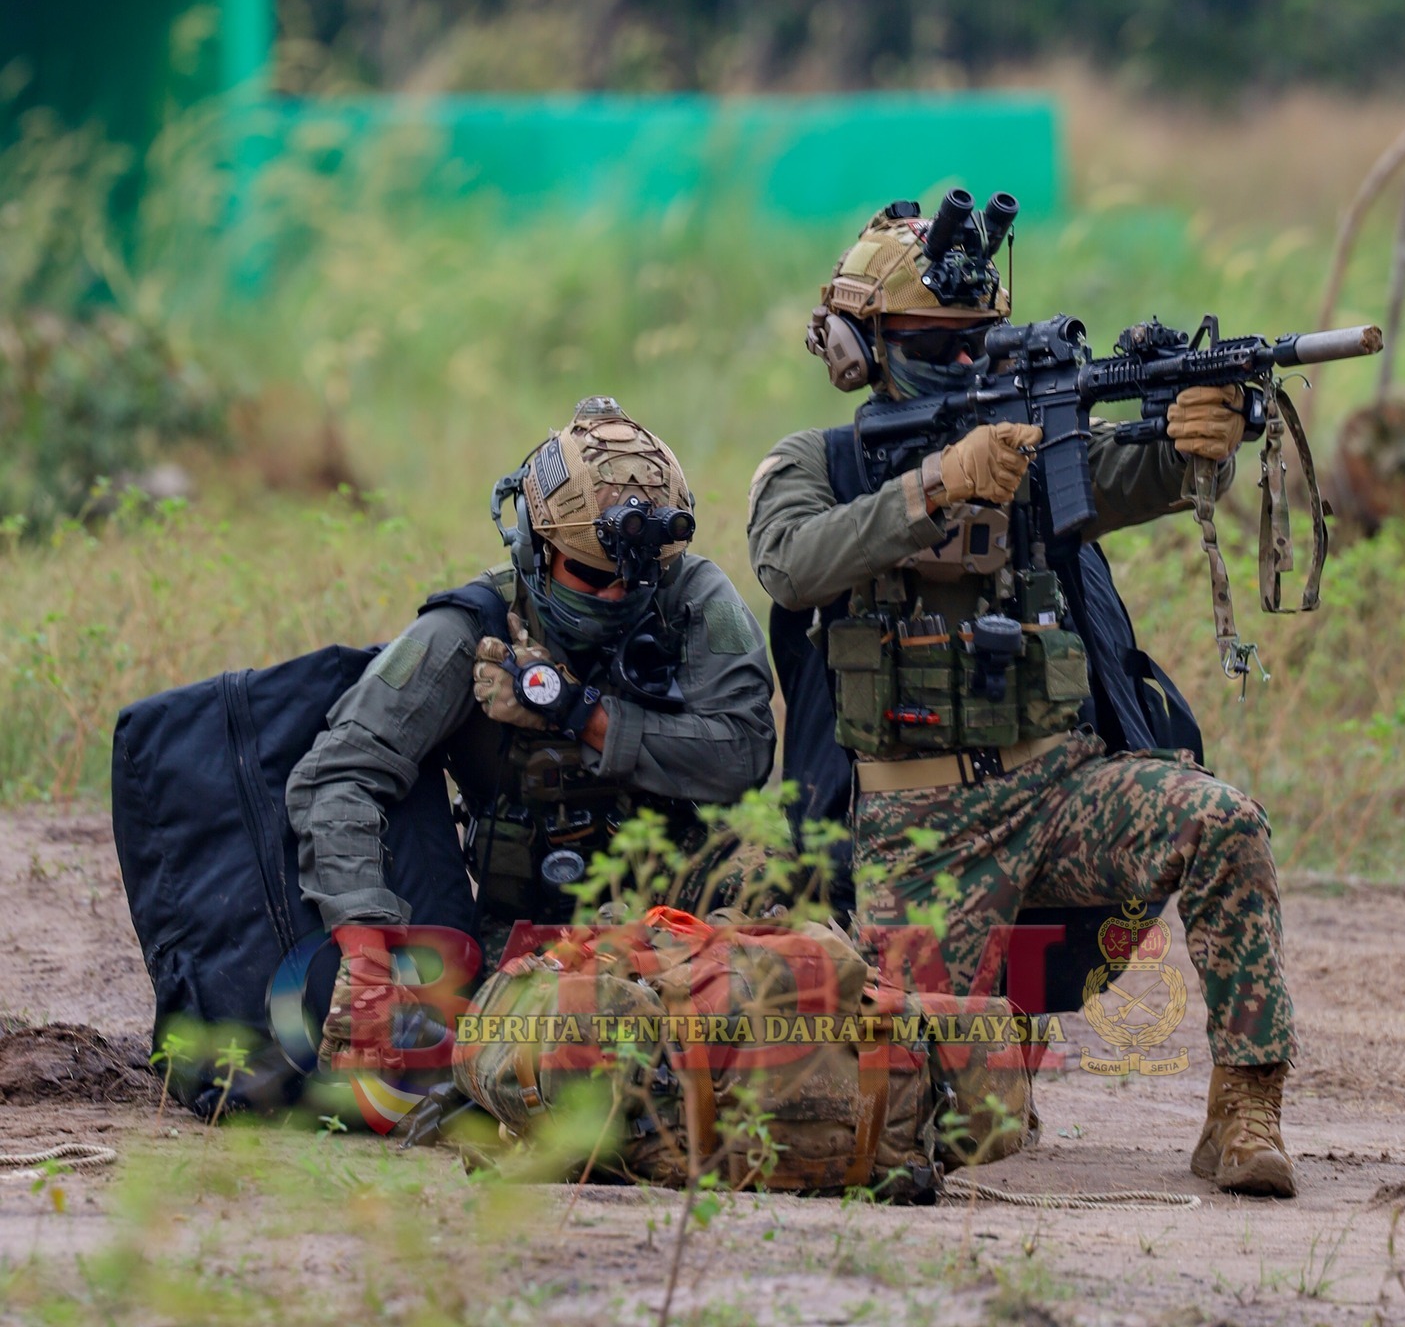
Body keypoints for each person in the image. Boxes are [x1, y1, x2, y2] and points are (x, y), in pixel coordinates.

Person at [746, 199, 1298, 1197]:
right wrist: (934, 486)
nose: (961, 365)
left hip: (1062, 789)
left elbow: (1136, 468)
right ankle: (990, 1062)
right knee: (927, 1136)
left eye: (977, 344)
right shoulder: (813, 464)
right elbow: (790, 563)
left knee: (1223, 823)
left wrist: (1193, 435)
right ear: (853, 347)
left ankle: (1246, 1102)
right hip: (920, 823)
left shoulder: (1033, 446)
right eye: (927, 343)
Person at [289, 396, 776, 1067]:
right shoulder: (469, 630)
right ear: (533, 547)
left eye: (635, 579)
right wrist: (371, 950)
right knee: (560, 1067)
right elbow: (339, 772)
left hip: (686, 926)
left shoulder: (693, 598)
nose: (615, 597)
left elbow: (742, 754)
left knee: (799, 1020)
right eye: (590, 575)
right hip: (528, 943)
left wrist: (585, 717)